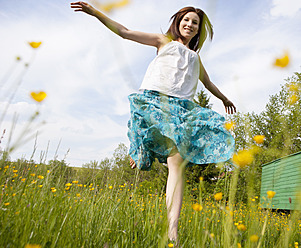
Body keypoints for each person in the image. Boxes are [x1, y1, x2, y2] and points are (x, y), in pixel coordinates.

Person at [71, 1, 236, 244]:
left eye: (195, 23)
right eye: (186, 20)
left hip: (182, 109)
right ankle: (140, 146)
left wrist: (224, 98)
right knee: (148, 131)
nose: (190, 25)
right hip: (155, 100)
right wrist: (95, 13)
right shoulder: (163, 42)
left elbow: (208, 84)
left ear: (198, 30)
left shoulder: (195, 59)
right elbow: (125, 33)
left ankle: (172, 231)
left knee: (176, 164)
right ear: (178, 23)